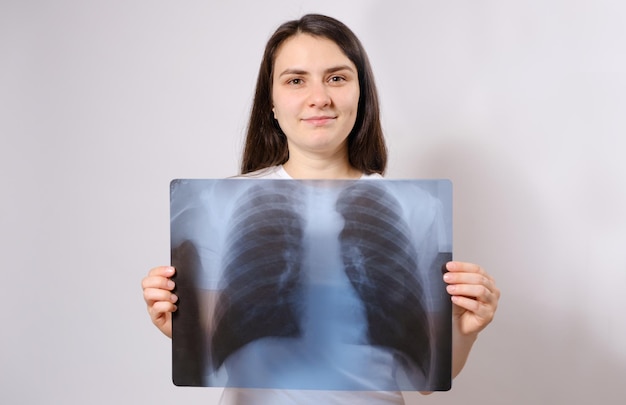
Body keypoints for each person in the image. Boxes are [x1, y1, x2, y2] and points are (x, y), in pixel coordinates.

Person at [142, 13, 500, 405]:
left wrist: (467, 329)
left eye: (337, 78)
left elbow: (428, 378)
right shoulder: (219, 207)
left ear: (360, 94)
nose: (320, 98)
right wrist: (178, 327)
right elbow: (211, 349)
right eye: (296, 80)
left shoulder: (417, 209)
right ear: (272, 104)